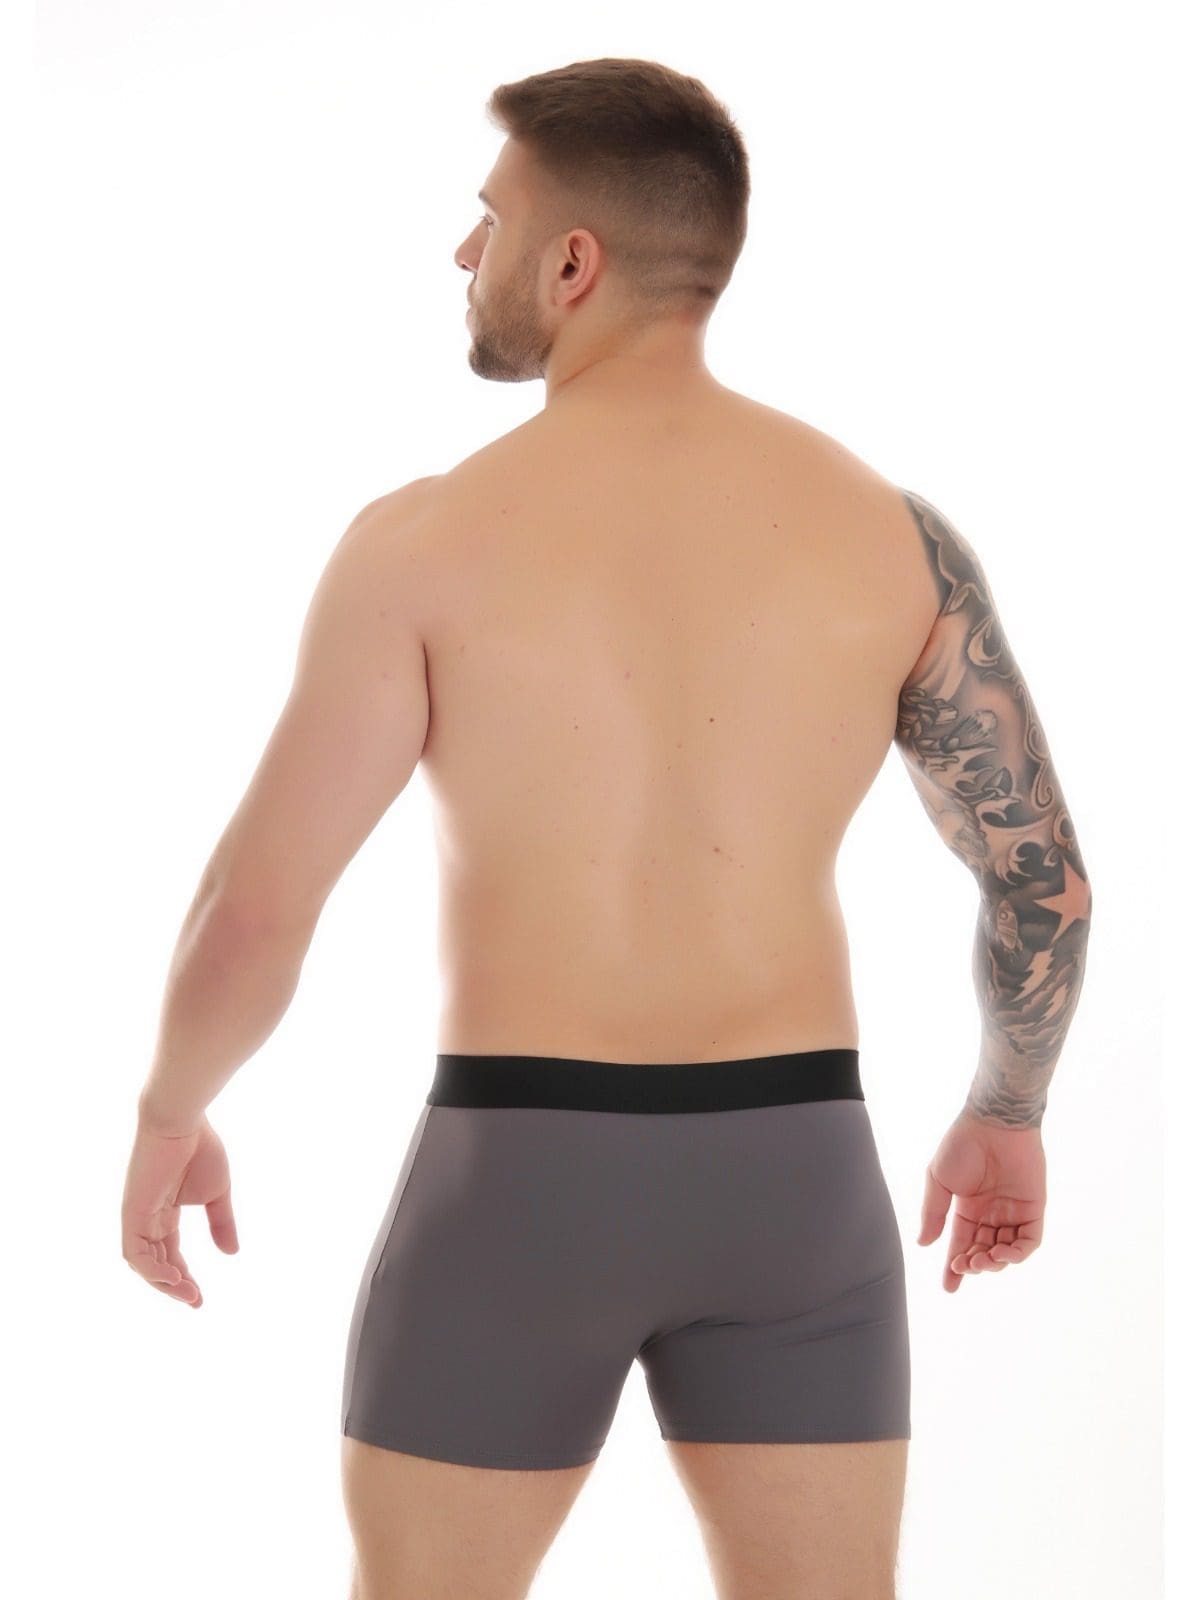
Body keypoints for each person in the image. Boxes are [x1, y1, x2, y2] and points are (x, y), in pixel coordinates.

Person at [120, 55, 1092, 1600]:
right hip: (797, 1175)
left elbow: (256, 909)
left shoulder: (423, 542)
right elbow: (1042, 883)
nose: (465, 250)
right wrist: (1009, 1110)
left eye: (489, 217)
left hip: (520, 1179)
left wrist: (173, 1111)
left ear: (572, 262)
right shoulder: (891, 538)